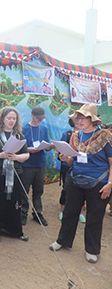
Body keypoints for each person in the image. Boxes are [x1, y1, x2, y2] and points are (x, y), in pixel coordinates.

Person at [49, 103, 112, 263]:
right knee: (70, 212)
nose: (81, 120)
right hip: (75, 179)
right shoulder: (75, 136)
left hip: (99, 183)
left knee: (94, 217)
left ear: (92, 119)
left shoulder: (105, 135)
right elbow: (72, 160)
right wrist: (66, 158)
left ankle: (91, 249)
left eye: (84, 117)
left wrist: (110, 184)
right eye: (79, 117)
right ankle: (62, 240)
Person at [0, 107, 30, 243]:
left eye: (14, 118)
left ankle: (14, 230)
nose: (11, 121)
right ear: (2, 119)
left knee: (14, 202)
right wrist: (1, 155)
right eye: (9, 118)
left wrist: (16, 157)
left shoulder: (19, 136)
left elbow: (26, 154)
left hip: (15, 174)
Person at [20, 106, 54, 226]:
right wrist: (28, 149)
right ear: (32, 115)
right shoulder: (23, 128)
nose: (40, 120)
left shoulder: (44, 128)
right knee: (24, 189)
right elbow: (19, 147)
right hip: (27, 163)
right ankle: (23, 212)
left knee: (39, 189)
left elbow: (47, 144)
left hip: (40, 163)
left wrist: (50, 146)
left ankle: (37, 213)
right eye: (38, 118)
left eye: (41, 118)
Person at [58, 117, 86, 223]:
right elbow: (61, 148)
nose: (79, 122)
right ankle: (62, 210)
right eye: (77, 120)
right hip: (68, 166)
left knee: (82, 189)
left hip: (82, 167)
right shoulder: (68, 134)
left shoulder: (87, 135)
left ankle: (80, 212)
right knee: (66, 188)